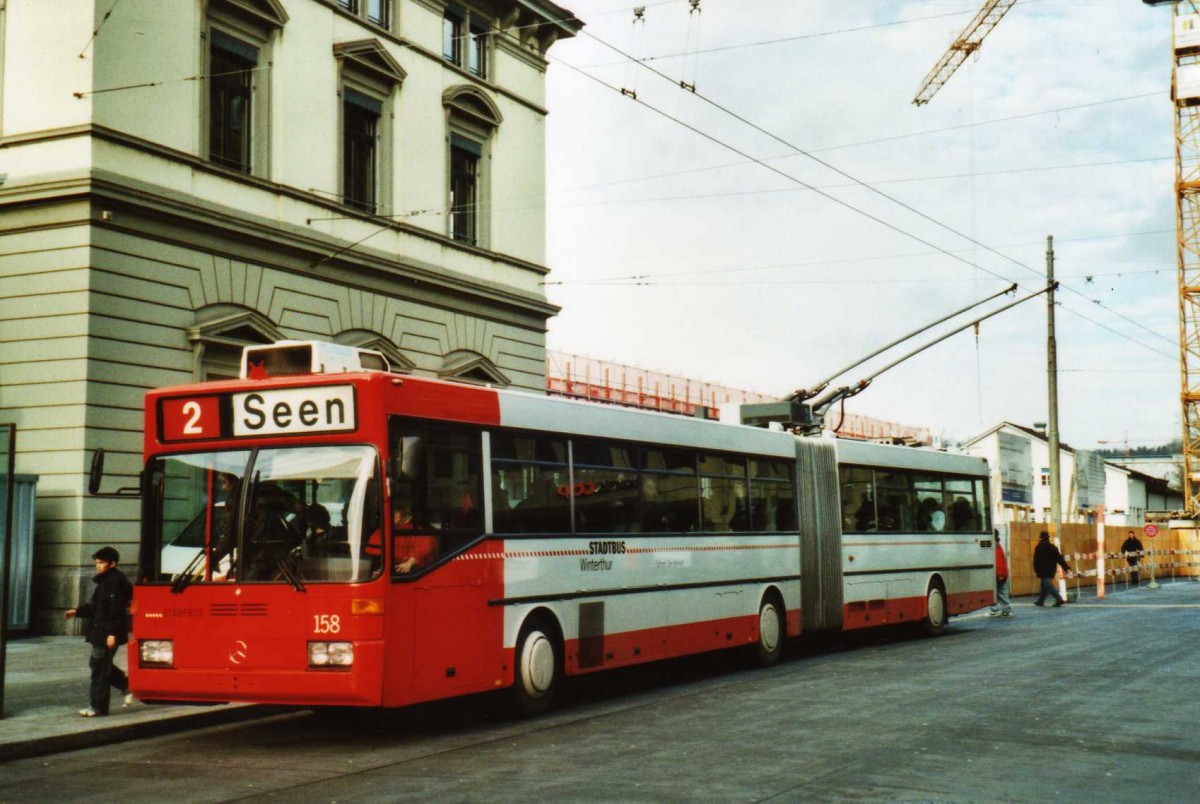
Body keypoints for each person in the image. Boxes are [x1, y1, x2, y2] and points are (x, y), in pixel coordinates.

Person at [64, 546, 133, 717]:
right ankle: (127, 685)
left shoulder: (114, 583)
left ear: (113, 563)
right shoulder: (106, 581)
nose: (98, 566)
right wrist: (77, 611)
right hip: (101, 631)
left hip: (105, 633)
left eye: (101, 563)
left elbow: (116, 611)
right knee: (100, 666)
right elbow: (97, 607)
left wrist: (112, 633)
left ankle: (98, 707)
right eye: (96, 563)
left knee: (99, 669)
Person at [392, 504, 437, 574]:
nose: (392, 515)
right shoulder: (383, 531)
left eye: (396, 512)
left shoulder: (416, 529)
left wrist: (410, 562)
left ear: (405, 514)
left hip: (414, 572)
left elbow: (424, 548)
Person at [1033, 531, 1072, 607]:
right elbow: (1059, 559)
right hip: (1051, 569)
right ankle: (1040, 601)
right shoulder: (1053, 547)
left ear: (1040, 539)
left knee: (1048, 585)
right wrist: (1066, 568)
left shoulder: (1038, 547)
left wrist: (1036, 569)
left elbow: (1035, 560)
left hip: (1042, 570)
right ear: (1048, 538)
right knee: (1044, 585)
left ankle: (1059, 599)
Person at [989, 530, 1013, 617]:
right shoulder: (996, 544)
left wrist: (1000, 575)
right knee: (999, 592)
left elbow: (998, 563)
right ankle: (998, 609)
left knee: (1000, 592)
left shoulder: (992, 545)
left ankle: (1004, 610)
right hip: (1001, 573)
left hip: (999, 574)